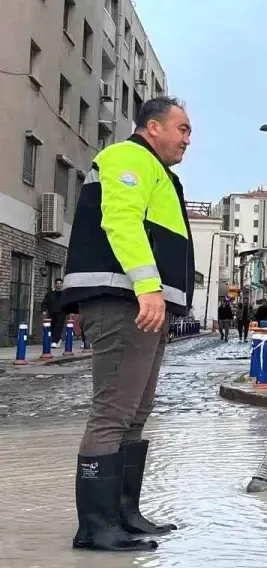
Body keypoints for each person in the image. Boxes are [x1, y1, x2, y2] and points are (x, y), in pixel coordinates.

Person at [59, 96, 192, 552]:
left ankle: (123, 515)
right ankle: (95, 527)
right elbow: (121, 221)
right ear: (153, 127)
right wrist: (148, 285)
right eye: (182, 129)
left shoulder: (159, 173)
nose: (187, 139)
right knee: (113, 413)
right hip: (124, 302)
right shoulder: (127, 157)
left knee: (134, 415)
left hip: (142, 304)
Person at [41, 278, 66, 348]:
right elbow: (45, 302)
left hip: (61, 313)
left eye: (60, 284)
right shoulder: (50, 293)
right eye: (57, 284)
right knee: (52, 327)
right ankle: (57, 339)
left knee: (58, 327)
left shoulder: (65, 294)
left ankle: (55, 341)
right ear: (55, 285)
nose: (59, 285)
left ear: (62, 285)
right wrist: (44, 310)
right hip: (52, 312)